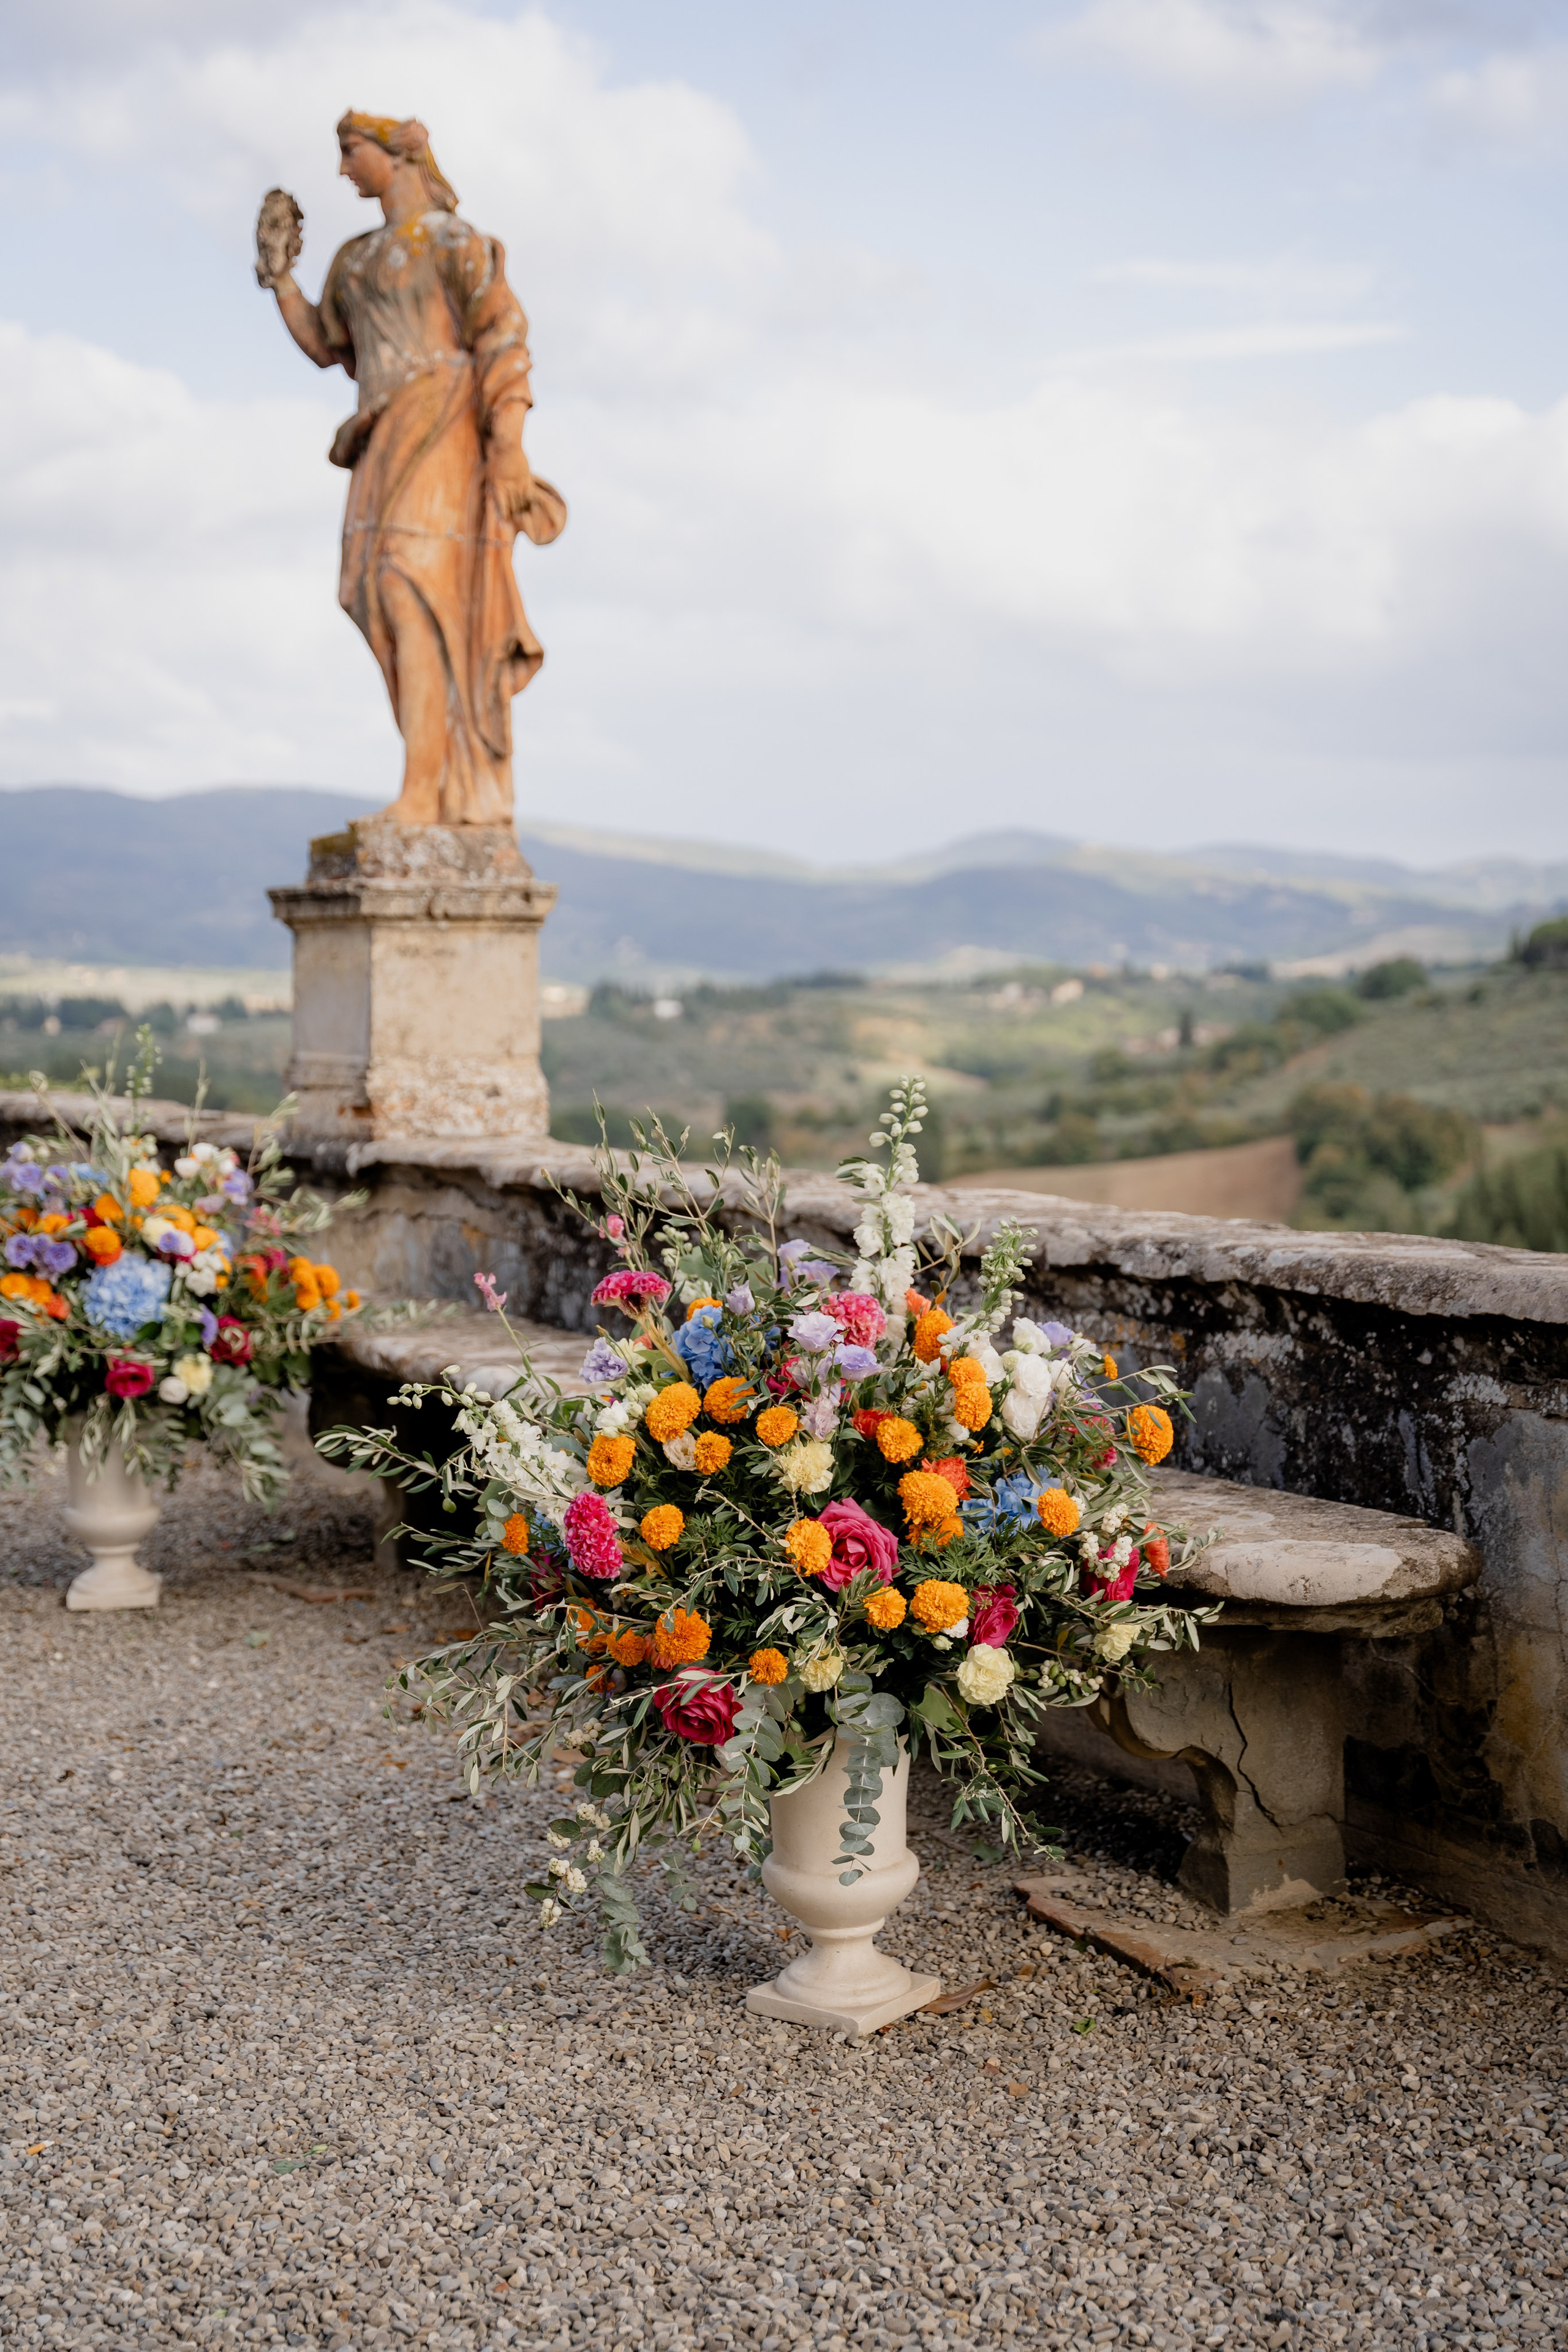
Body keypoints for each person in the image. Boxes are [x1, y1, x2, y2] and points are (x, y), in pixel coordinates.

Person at [257, 113, 565, 827]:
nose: (342, 171)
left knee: (409, 586)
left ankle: (426, 790)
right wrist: (280, 280)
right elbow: (327, 344)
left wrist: (509, 447)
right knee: (371, 594)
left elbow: (504, 342)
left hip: (445, 431)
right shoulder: (356, 259)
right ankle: (431, 773)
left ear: (396, 155)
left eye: (350, 153)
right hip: (382, 438)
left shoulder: (455, 244)